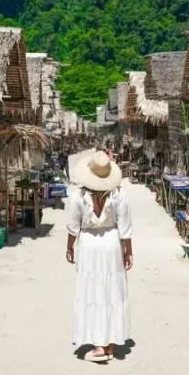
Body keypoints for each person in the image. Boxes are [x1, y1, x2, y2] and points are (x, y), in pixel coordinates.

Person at [66, 151, 132, 363]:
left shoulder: (79, 197)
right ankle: (110, 344)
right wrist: (128, 251)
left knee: (93, 292)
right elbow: (125, 228)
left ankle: (98, 347)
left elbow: (73, 227)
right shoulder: (119, 196)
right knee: (111, 292)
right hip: (111, 245)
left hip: (89, 247)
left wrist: (70, 248)